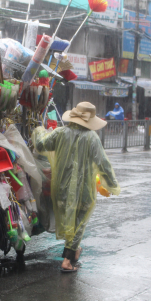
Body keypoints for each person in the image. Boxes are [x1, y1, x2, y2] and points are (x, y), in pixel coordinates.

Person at [32, 102, 120, 272]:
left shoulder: (60, 133)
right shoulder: (92, 138)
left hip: (61, 191)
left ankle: (75, 252)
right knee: (79, 224)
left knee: (71, 223)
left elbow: (41, 145)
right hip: (83, 191)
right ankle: (67, 260)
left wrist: (39, 131)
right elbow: (103, 164)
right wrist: (112, 184)